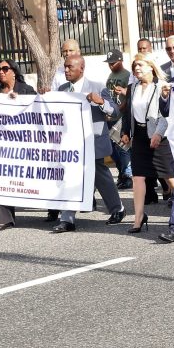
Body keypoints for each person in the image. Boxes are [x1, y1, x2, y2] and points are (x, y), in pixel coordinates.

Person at [53, 55, 126, 232]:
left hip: (92, 140)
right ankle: (67, 219)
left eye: (70, 67)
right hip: (71, 142)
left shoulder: (97, 86)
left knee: (100, 175)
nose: (67, 70)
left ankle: (118, 209)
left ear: (81, 69)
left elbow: (115, 112)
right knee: (70, 176)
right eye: (65, 67)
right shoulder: (62, 89)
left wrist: (100, 102)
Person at [121, 55, 174, 234]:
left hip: (158, 135)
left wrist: (158, 134)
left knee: (168, 176)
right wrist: (125, 132)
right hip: (140, 136)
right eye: (135, 66)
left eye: (141, 65)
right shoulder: (132, 87)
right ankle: (139, 217)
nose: (137, 69)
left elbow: (165, 115)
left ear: (151, 67)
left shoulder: (162, 87)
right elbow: (128, 112)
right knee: (138, 177)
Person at [0, 60, 38, 231]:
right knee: (1, 179)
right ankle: (5, 218)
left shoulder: (26, 90)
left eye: (5, 68)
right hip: (3, 147)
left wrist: (21, 100)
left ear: (14, 71)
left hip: (25, 144)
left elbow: (38, 111)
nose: (1, 72)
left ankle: (54, 209)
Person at [104, 49, 133, 189]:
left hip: (121, 116)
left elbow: (129, 97)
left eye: (113, 63)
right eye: (109, 63)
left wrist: (118, 110)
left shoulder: (127, 75)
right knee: (111, 149)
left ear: (121, 61)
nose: (110, 66)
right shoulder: (110, 75)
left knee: (122, 148)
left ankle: (127, 176)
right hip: (110, 115)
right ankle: (122, 173)